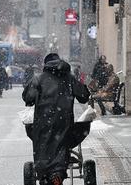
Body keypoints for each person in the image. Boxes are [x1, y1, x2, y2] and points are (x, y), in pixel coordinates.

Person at [22, 53, 90, 185]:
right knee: (61, 146)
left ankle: (45, 175)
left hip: (42, 123)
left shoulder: (38, 79)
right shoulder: (69, 78)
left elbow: (28, 99)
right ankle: (57, 174)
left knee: (43, 148)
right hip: (64, 122)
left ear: (45, 65)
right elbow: (84, 96)